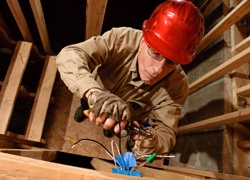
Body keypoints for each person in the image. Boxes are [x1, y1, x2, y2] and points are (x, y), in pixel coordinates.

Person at [56, 0, 204, 157]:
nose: (158, 69)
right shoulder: (121, 39)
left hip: (129, 120)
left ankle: (109, 130)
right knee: (87, 104)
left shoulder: (178, 86)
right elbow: (69, 56)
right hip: (95, 97)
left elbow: (167, 133)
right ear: (142, 41)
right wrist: (93, 92)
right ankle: (85, 107)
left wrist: (151, 142)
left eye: (171, 62)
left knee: (114, 129)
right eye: (155, 53)